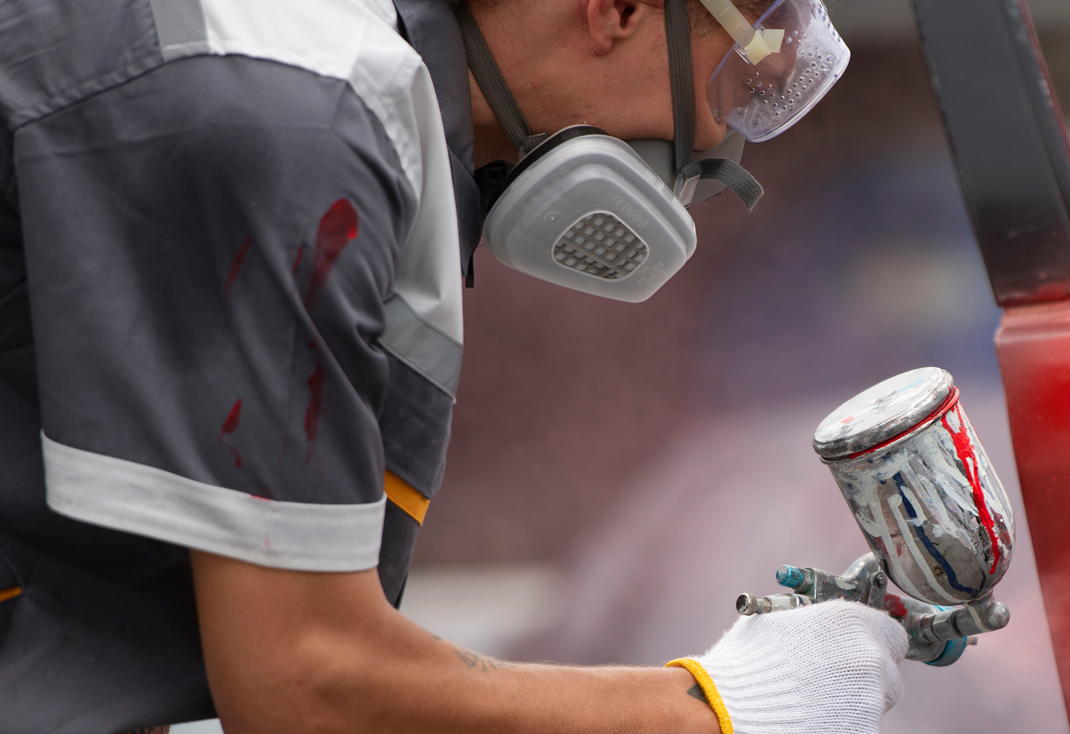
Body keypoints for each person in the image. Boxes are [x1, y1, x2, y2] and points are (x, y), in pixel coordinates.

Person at [0, 0, 905, 732]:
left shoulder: (309, 73)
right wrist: (719, 709)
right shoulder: (310, 118)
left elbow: (88, 582)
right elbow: (305, 683)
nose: (714, 147)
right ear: (618, 11)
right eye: (735, 82)